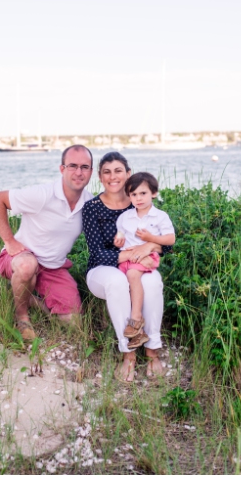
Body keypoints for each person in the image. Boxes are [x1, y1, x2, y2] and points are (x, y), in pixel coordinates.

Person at [0, 145, 94, 341]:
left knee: (73, 323)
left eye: (84, 167)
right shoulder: (43, 194)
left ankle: (29, 298)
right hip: (20, 258)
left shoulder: (90, 204)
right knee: (27, 266)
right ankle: (21, 316)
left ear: (91, 172)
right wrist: (9, 241)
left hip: (53, 267)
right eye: (72, 166)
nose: (78, 172)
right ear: (62, 169)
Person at [82, 152, 170, 382]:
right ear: (100, 177)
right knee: (117, 281)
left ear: (128, 174)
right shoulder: (92, 208)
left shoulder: (139, 202)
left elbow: (165, 245)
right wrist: (132, 253)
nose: (113, 176)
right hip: (102, 270)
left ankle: (152, 350)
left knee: (152, 281)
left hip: (138, 266)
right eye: (107, 172)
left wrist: (149, 245)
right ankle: (128, 353)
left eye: (118, 170)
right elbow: (97, 253)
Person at [113, 172, 176, 350]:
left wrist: (150, 238)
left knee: (133, 275)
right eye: (134, 195)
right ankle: (137, 335)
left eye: (143, 193)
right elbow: (121, 233)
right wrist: (119, 239)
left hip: (147, 257)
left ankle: (136, 318)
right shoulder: (126, 217)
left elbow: (170, 239)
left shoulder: (160, 216)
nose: (138, 198)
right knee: (121, 284)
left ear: (154, 193)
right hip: (128, 257)